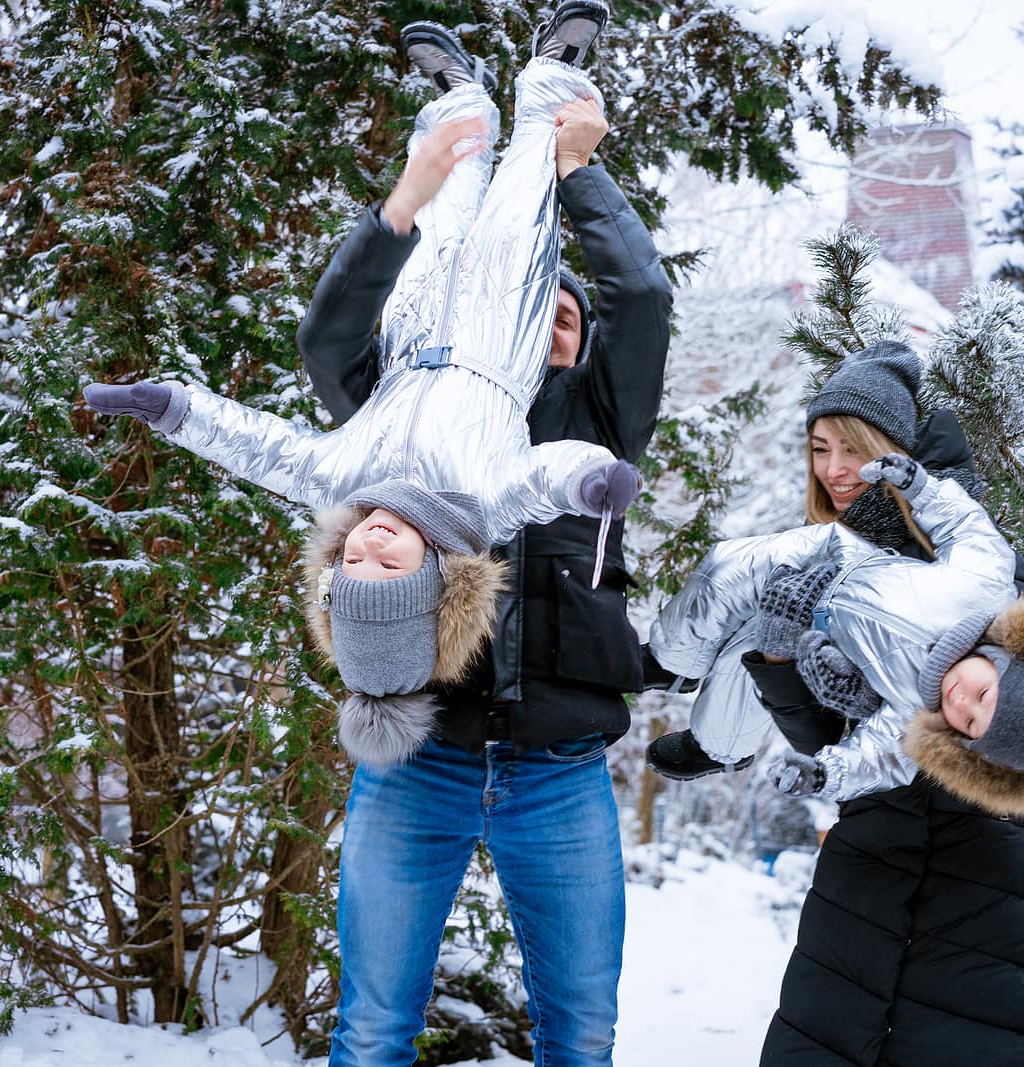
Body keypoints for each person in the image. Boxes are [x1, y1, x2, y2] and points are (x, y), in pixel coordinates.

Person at [82, 9, 642, 768]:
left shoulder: (344, 484)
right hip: (502, 328)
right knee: (525, 184)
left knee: (444, 179)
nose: (371, 547)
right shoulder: (478, 506)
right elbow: (547, 477)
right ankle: (549, 72)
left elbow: (254, 446)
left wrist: (173, 409)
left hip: (412, 323)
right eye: (391, 568)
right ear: (437, 583)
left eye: (353, 567)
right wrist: (593, 481)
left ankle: (458, 94)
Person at [296, 4, 671, 1065]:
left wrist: (571, 168)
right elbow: (328, 342)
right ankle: (464, 94)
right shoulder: (407, 415)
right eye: (530, 301)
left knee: (581, 1031)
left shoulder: (603, 420)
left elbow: (640, 288)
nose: (549, 317)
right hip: (420, 753)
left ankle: (538, 86)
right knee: (370, 1026)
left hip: (557, 763)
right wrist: (405, 201)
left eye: (565, 305)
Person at [646, 444, 1024, 1067]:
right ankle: (666, 665)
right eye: (980, 694)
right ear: (1011, 660)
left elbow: (872, 756)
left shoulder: (922, 719)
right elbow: (962, 521)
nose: (960, 702)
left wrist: (822, 768)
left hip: (927, 943)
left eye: (969, 723)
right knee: (732, 571)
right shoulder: (981, 583)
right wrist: (916, 482)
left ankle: (710, 735)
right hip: (839, 568)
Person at [645, 339, 1023, 779]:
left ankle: (674, 668)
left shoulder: (974, 551)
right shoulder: (855, 522)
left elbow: (868, 740)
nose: (834, 470)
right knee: (765, 606)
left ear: (891, 451)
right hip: (870, 810)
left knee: (778, 560)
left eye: (853, 449)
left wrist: (854, 691)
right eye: (821, 450)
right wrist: (777, 658)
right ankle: (702, 713)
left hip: (916, 799)